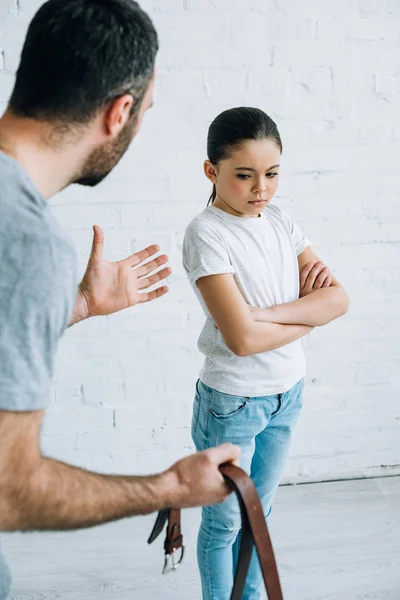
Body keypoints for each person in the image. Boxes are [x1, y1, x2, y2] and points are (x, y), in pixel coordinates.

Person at [0, 1, 240, 597]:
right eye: (146, 112)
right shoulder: (24, 239)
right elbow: (8, 488)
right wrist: (169, 489)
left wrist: (75, 306)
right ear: (120, 112)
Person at [182, 106, 349, 600]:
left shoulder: (278, 219)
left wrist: (265, 314)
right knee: (225, 523)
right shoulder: (206, 233)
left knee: (262, 513)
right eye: (244, 175)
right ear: (211, 171)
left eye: (272, 174)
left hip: (287, 393)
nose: (261, 189)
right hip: (232, 402)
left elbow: (338, 299)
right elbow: (241, 341)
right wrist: (304, 314)